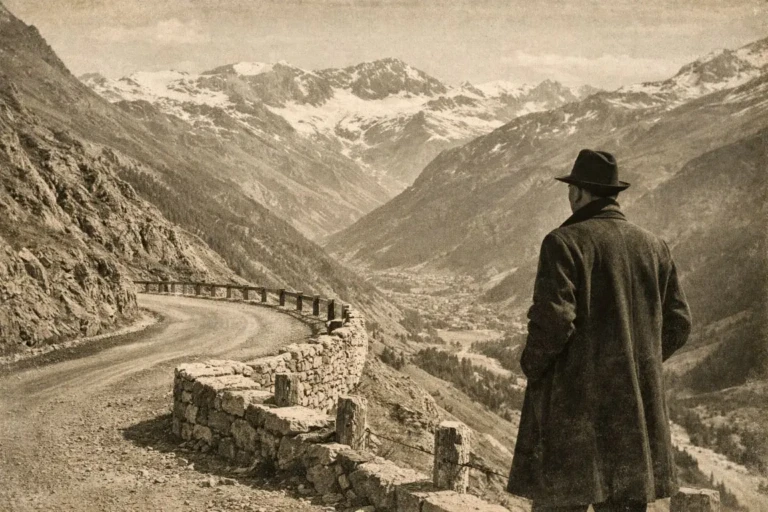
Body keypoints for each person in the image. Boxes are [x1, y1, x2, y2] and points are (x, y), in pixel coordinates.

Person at [506, 149, 692, 512]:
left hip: (572, 422)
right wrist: (641, 363)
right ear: (613, 193)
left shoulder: (563, 243)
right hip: (633, 423)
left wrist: (531, 365)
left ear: (577, 192)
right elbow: (680, 323)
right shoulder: (655, 246)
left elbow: (554, 322)